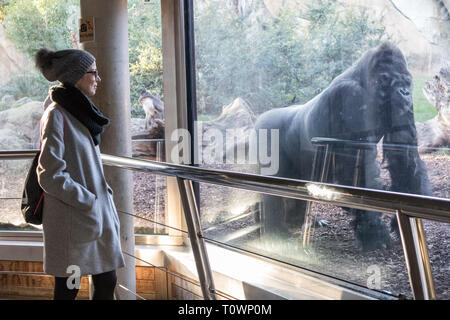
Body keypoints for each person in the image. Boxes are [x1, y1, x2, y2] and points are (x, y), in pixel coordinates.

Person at [34, 48, 125, 300]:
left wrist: (99, 198)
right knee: (69, 287)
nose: (98, 78)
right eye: (93, 72)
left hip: (93, 218)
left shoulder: (81, 112)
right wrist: (87, 199)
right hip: (75, 220)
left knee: (107, 281)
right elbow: (49, 174)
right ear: (77, 76)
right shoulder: (57, 115)